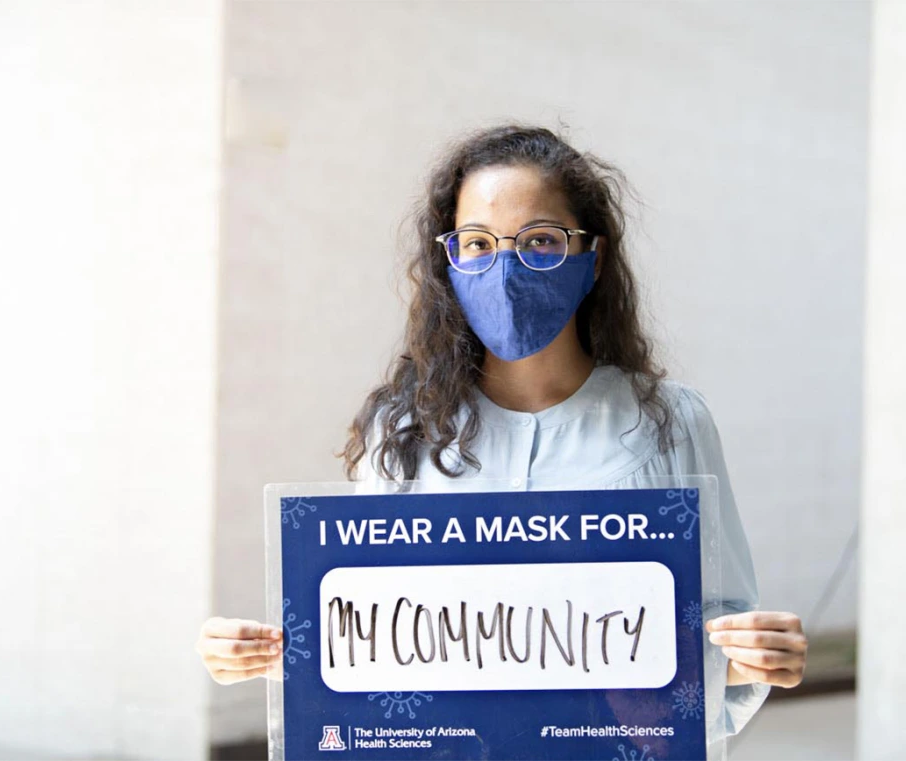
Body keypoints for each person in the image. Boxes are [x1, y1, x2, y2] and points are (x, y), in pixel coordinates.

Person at [195, 125, 808, 736]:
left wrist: (758, 655)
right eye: (478, 244)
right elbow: (372, 641)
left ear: (592, 260)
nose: (506, 268)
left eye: (540, 241)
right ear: (450, 262)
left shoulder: (671, 423)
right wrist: (269, 654)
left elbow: (721, 644)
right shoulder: (401, 432)